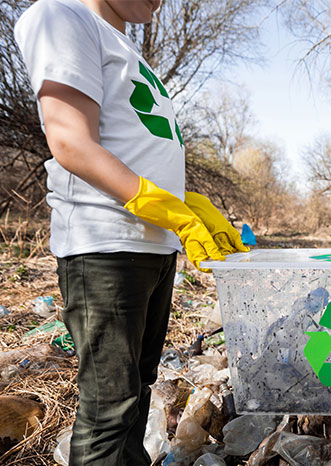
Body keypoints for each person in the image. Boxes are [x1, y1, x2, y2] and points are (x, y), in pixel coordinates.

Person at [14, 0, 248, 464]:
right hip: (105, 248)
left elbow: (137, 149)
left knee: (136, 395)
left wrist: (191, 207)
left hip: (152, 248)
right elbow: (71, 142)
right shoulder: (60, 15)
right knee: (109, 411)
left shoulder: (123, 45)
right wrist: (170, 212)